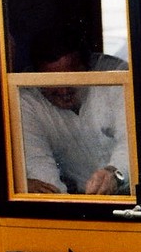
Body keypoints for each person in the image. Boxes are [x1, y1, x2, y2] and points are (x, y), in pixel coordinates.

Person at [20, 27, 131, 195]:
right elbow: (38, 165)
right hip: (83, 204)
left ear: (87, 66)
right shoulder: (27, 98)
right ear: (37, 76)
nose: (64, 91)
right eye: (53, 83)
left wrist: (115, 174)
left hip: (137, 195)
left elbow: (132, 141)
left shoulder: (115, 75)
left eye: (71, 78)